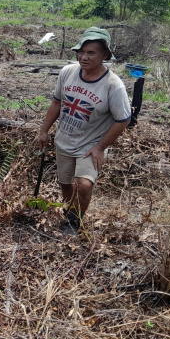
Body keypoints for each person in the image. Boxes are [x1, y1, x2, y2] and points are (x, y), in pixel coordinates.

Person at [37, 27, 131, 235]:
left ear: (104, 55)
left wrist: (100, 148)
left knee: (84, 184)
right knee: (65, 183)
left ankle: (74, 220)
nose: (84, 57)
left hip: (90, 144)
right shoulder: (67, 73)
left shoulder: (113, 85)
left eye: (91, 53)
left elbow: (123, 119)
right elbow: (57, 102)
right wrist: (44, 130)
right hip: (65, 138)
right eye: (81, 52)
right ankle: (70, 211)